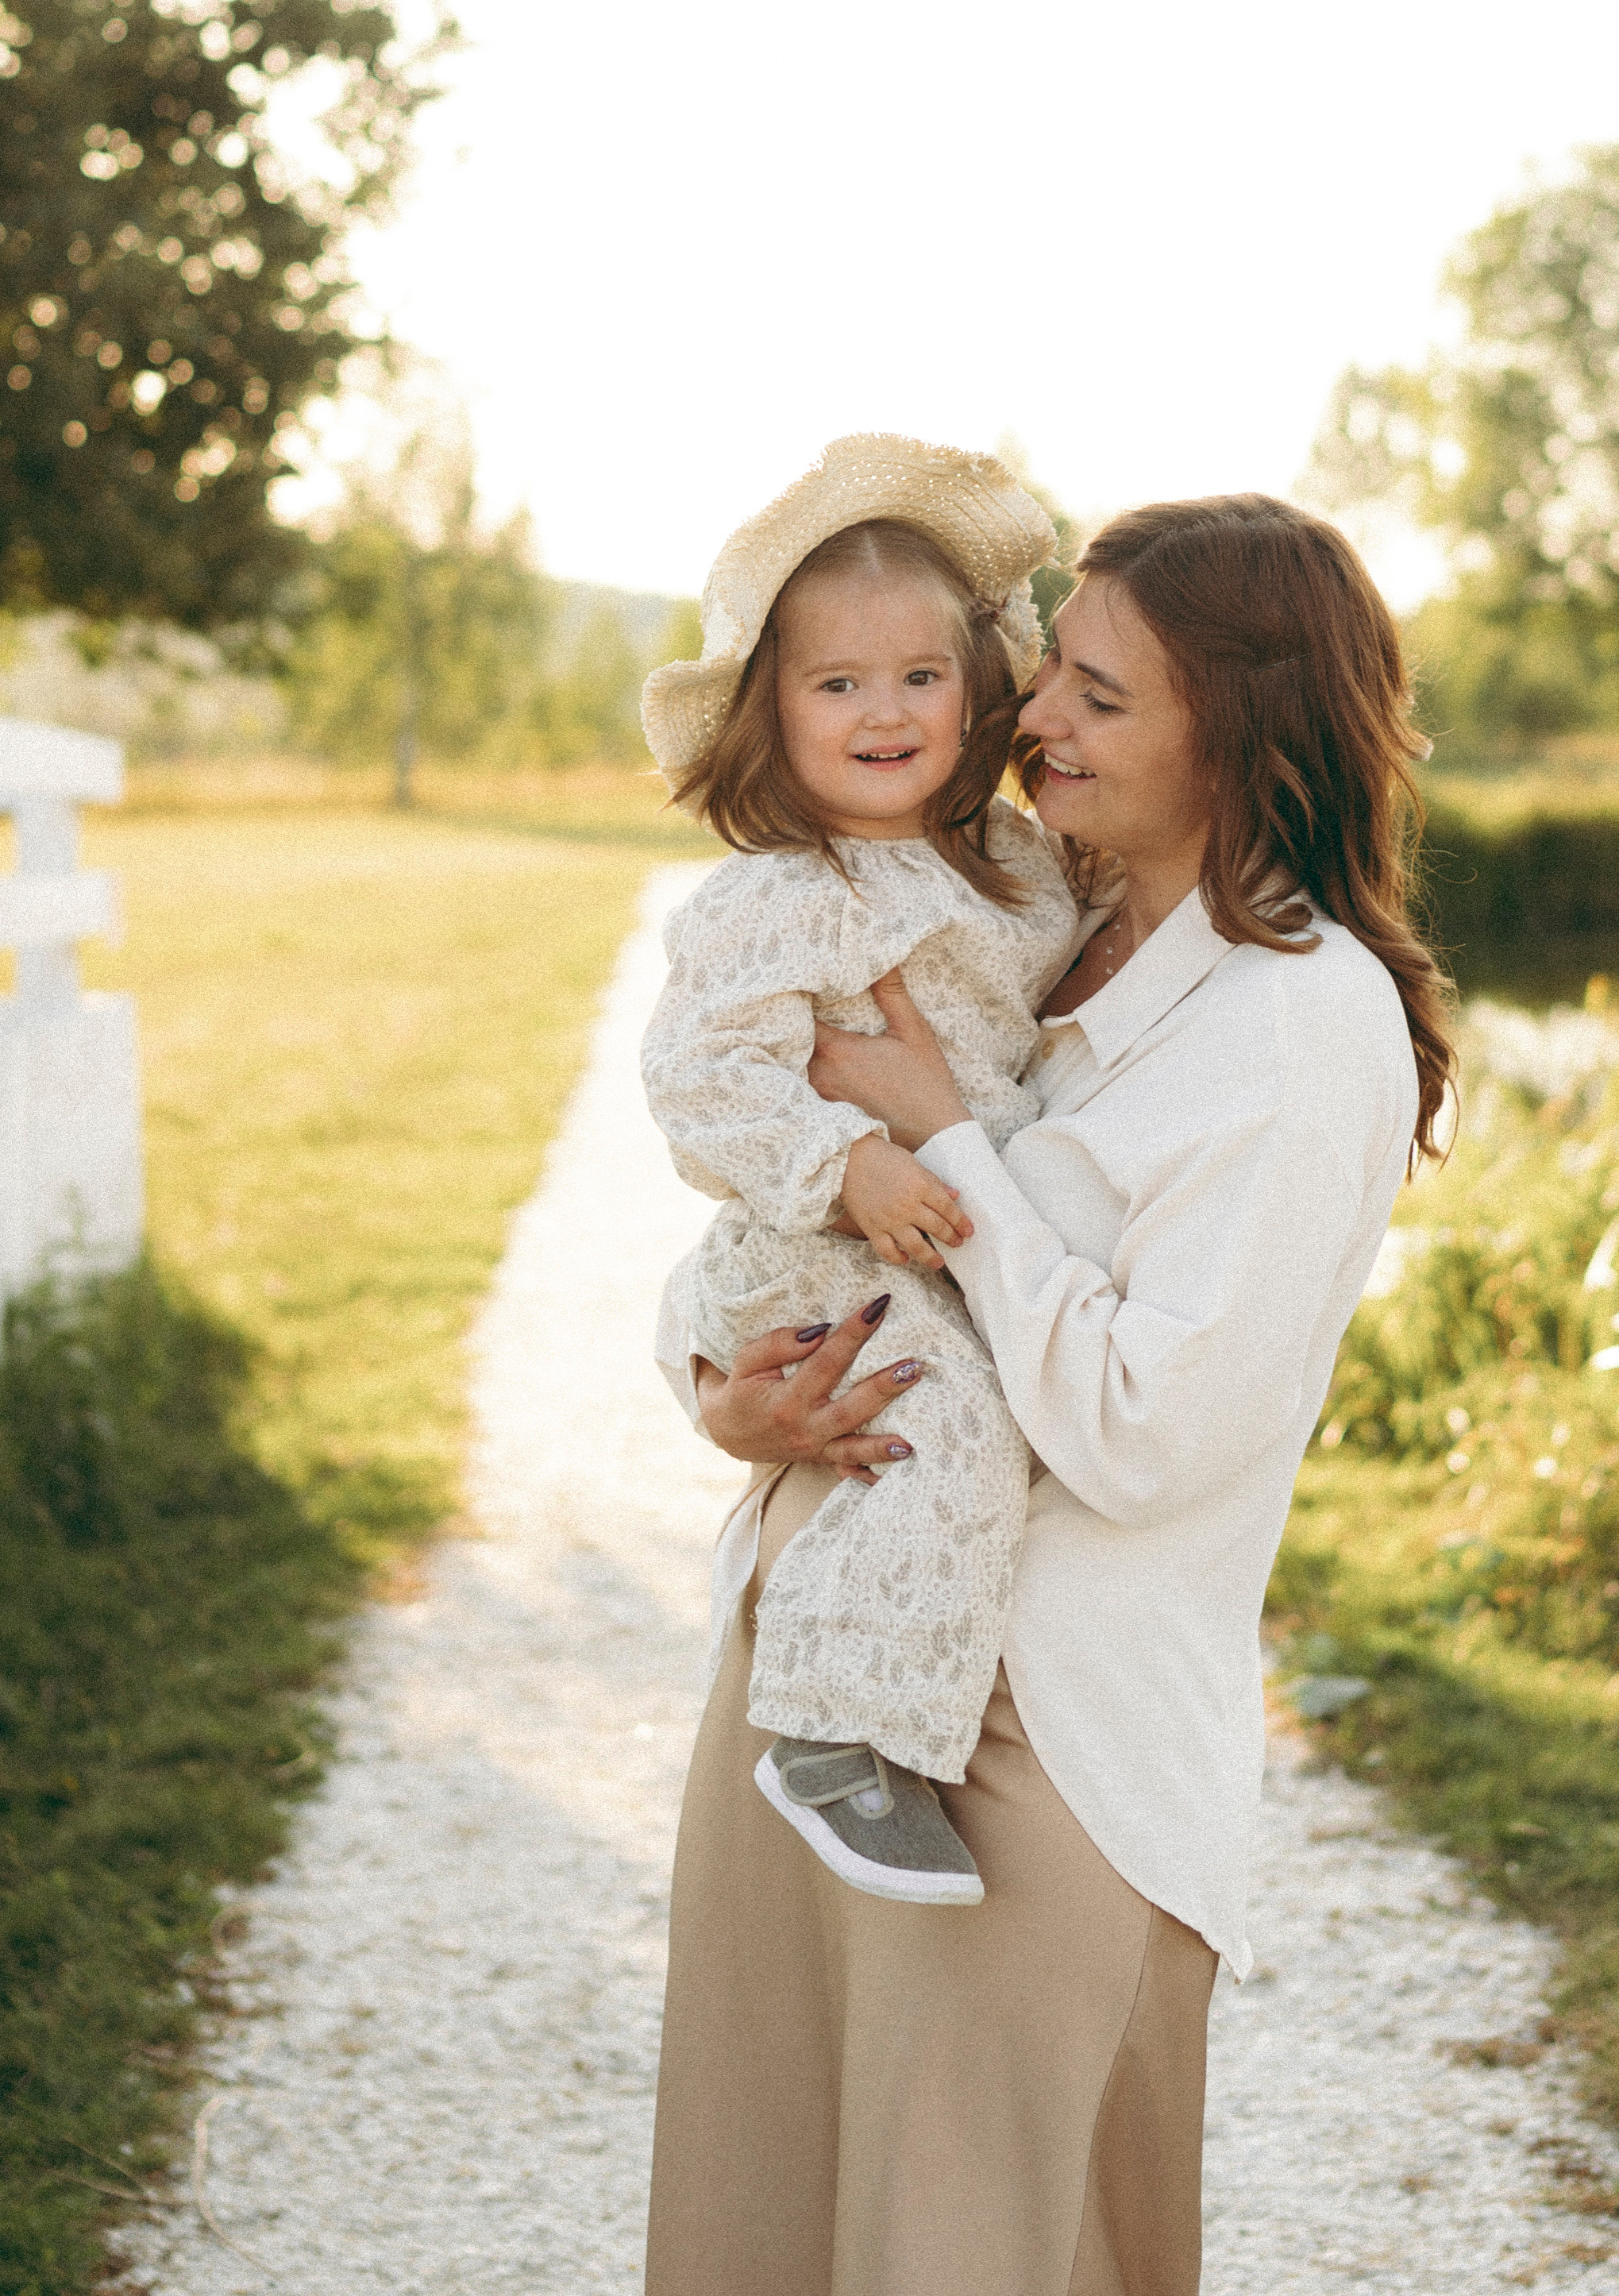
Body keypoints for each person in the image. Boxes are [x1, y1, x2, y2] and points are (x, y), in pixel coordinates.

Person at [644, 489, 1456, 2296]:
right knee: (762, 2222)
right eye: (1047, 672)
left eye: (1098, 694)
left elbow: (1142, 1433)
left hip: (1038, 1750)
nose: (1034, 718)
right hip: (819, 1667)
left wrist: (951, 1140)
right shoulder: (1019, 914)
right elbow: (783, 1209)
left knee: (974, 2256)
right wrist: (723, 1395)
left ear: (1237, 731)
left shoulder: (1298, 1022)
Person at [640, 434, 1081, 1907]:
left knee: (987, 1414)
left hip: (926, 1233)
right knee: (944, 1431)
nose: (884, 712)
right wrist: (848, 1165)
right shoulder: (785, 892)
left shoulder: (1016, 864)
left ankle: (894, 1709)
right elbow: (700, 1077)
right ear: (773, 711)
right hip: (819, 1243)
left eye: (918, 677)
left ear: (977, 688)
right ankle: (835, 1736)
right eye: (836, 685)